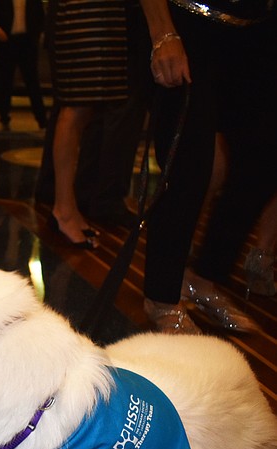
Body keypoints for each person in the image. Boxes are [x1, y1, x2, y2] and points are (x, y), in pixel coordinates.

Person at [138, 0, 276, 333]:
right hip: (189, 22)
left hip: (258, 29)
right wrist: (162, 31)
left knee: (266, 155)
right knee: (191, 157)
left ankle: (204, 277)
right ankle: (161, 295)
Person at [48, 0, 131, 248]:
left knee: (84, 108)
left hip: (101, 13)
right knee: (75, 105)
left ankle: (68, 206)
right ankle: (63, 208)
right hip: (83, 11)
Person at [0, 0, 48, 130]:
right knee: (6, 80)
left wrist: (35, 35)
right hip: (7, 41)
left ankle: (41, 118)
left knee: (32, 80)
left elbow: (39, 16)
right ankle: (4, 116)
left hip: (27, 41)